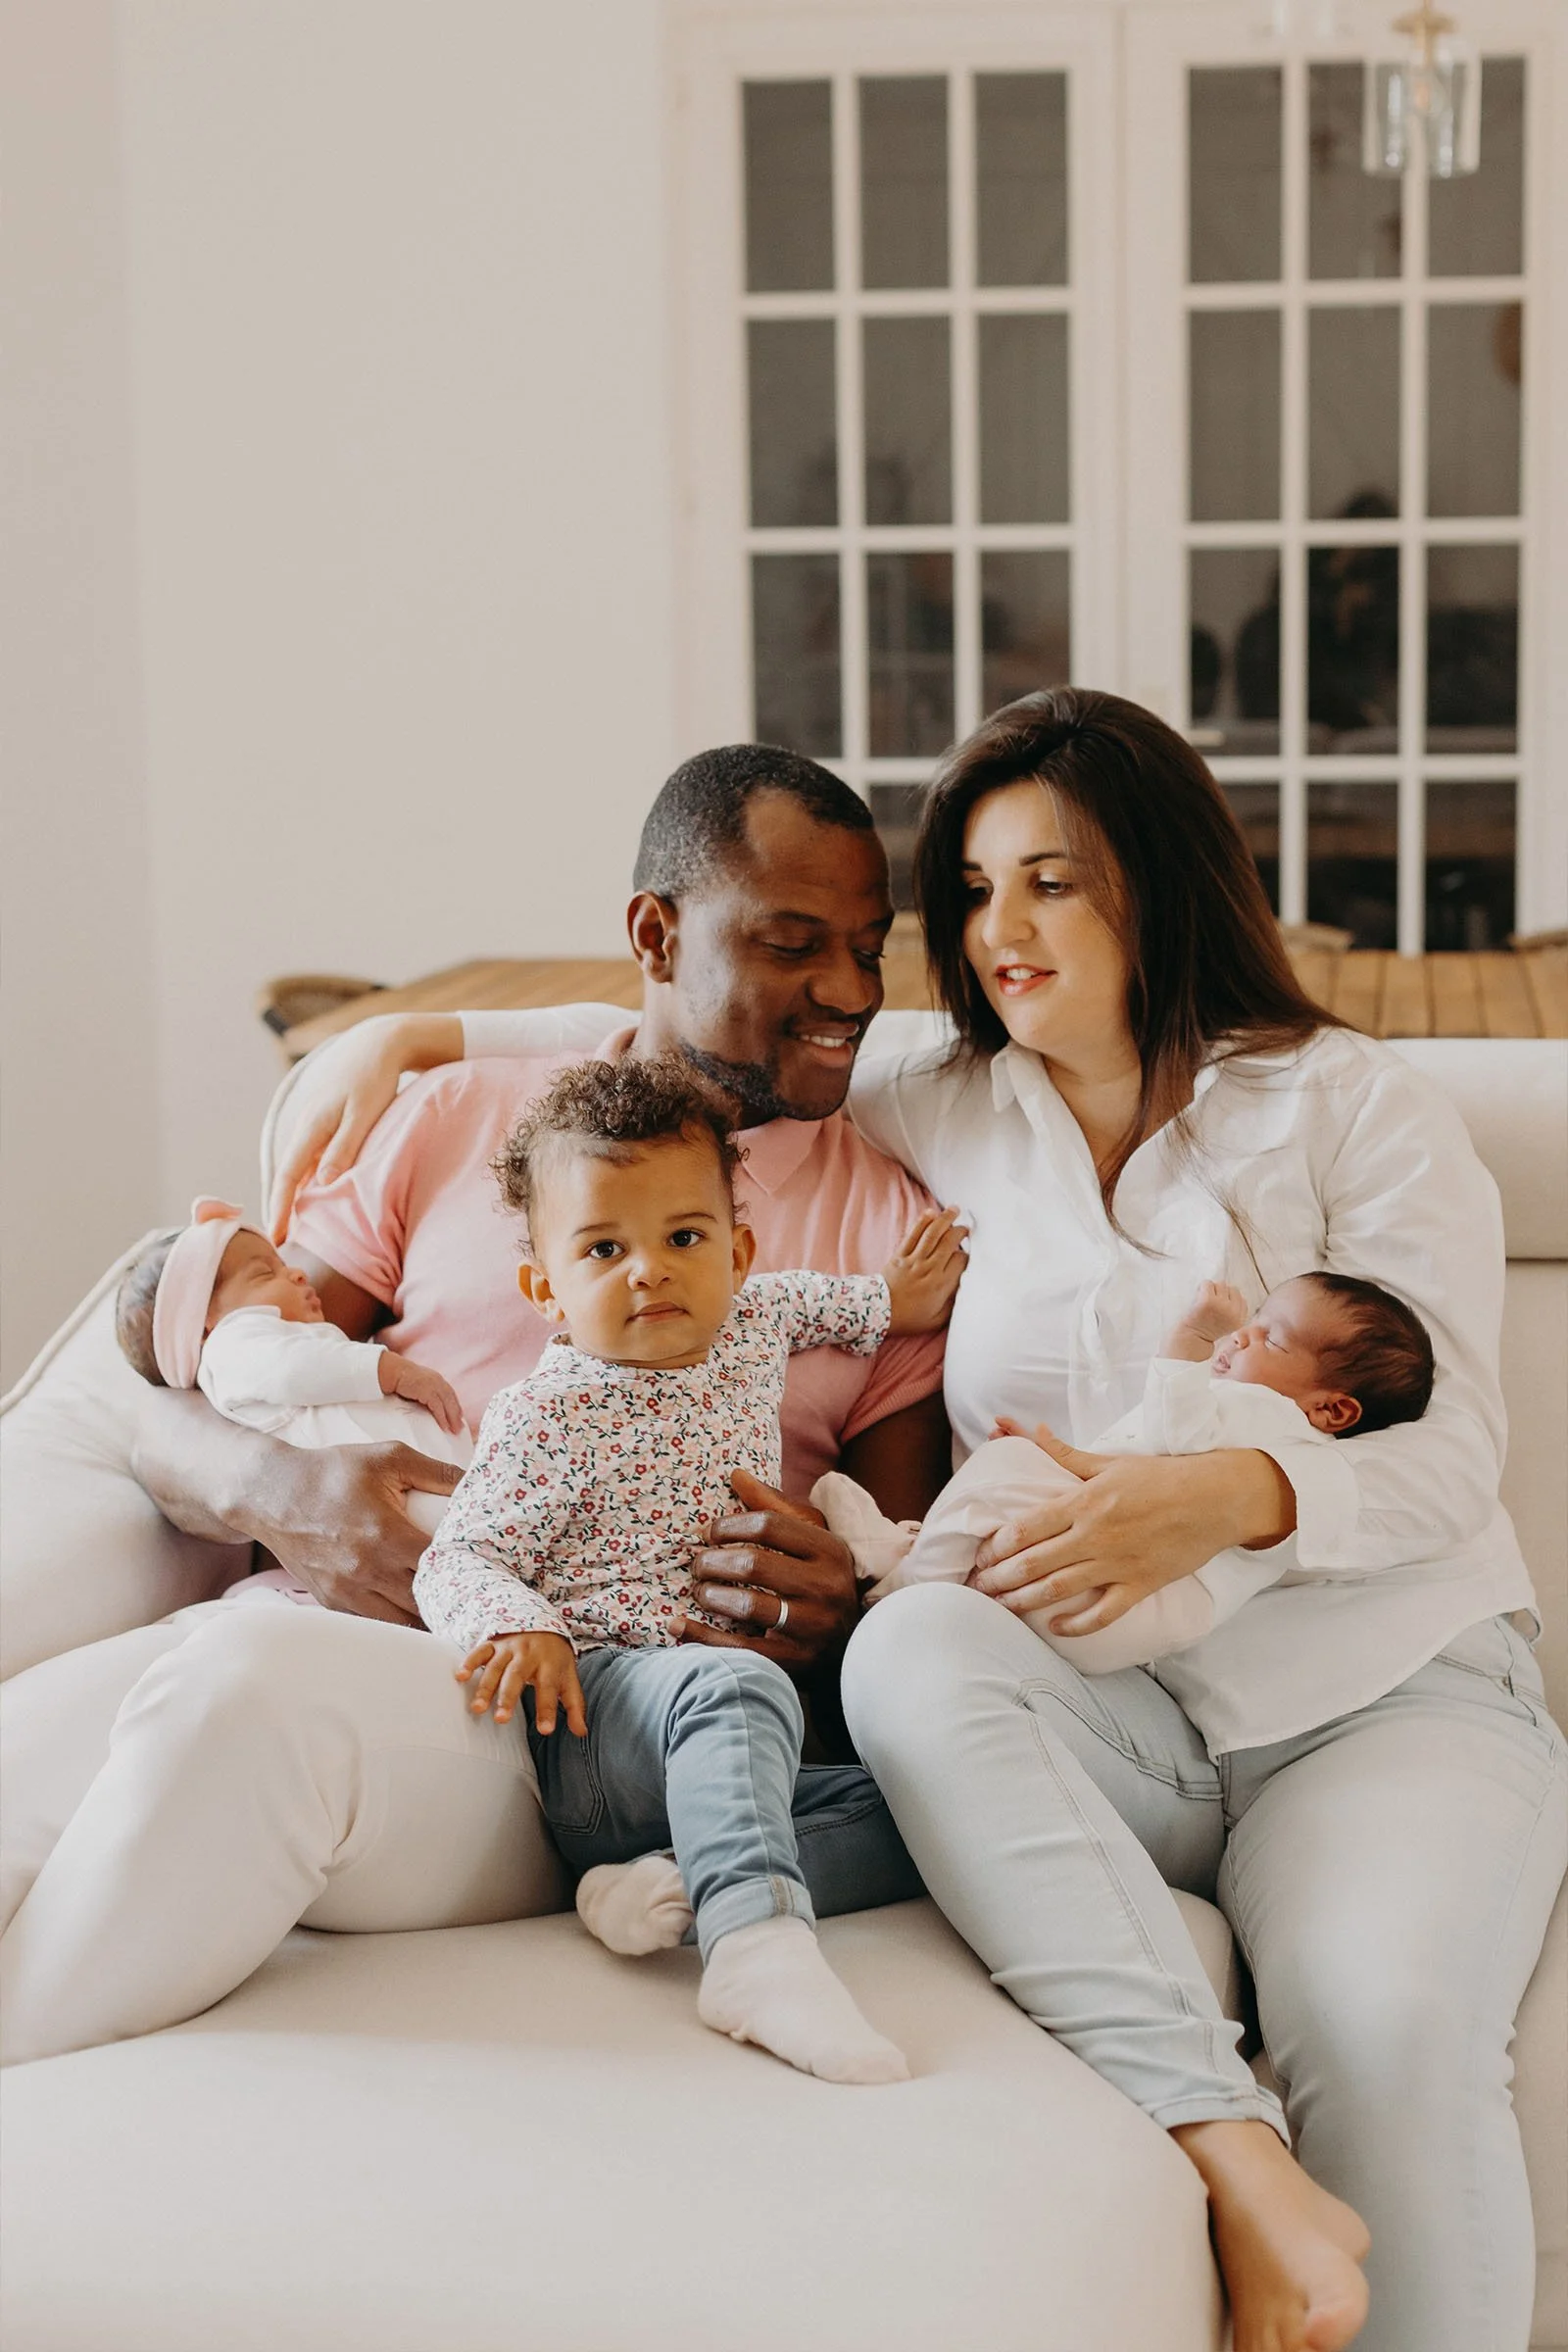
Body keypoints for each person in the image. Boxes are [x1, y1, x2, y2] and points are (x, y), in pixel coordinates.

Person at [325, 692, 1565, 2352]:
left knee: (1386, 2020)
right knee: (914, 1648)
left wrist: (1228, 1493)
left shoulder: (1354, 1104)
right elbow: (697, 1027)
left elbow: (1455, 1439)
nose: (1002, 934)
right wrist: (417, 1041)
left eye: (1052, 881)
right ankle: (1238, 2160)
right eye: (975, 896)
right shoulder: (946, 1096)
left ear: (1164, 883)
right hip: (1111, 1714)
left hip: (1378, 1697)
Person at [0, 746, 953, 2066]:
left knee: (251, 1685)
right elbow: (208, 1380)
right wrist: (281, 1493)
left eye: (870, 946)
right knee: (41, 1743)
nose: (851, 992)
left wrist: (838, 1600)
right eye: (795, 945)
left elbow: (914, 1588)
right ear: (656, 935)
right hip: (313, 1616)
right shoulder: (454, 1116)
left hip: (558, 1721)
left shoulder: (887, 1227)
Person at [418, 1057, 960, 2082]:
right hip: (605, 1726)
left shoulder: (753, 1321)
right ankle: (754, 1952)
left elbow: (829, 1306)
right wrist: (513, 1623)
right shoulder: (552, 1413)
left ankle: (659, 1887)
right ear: (545, 1288)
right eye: (603, 1248)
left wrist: (897, 1298)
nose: (649, 1270)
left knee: (923, 1803)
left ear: (736, 1251)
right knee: (733, 1681)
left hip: (732, 1754)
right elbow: (463, 1552)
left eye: (683, 1238)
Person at [814, 1272, 1436, 1675]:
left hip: (1128, 1597)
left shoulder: (1271, 1421)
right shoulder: (1267, 1438)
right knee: (1005, 1497)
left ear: (1331, 1408)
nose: (1243, 1337)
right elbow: (1135, 1477)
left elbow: (1173, 1429)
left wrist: (1191, 1338)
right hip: (1124, 1621)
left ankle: (897, 1592)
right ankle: (902, 1548)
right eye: (1253, 1323)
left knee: (1001, 1471)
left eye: (1271, 1340)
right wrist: (1049, 1458)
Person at [116, 1199, 470, 1565]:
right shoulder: (231, 1347)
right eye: (264, 1275)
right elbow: (291, 1369)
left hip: (433, 1488)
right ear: (204, 1325)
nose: (298, 1274)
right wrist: (391, 1371)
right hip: (400, 1503)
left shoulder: (275, 1341)